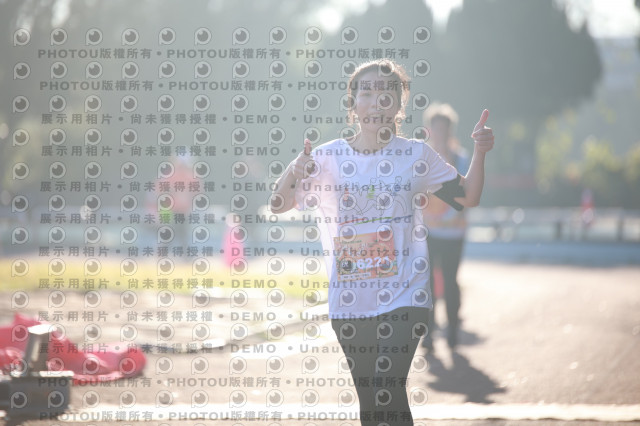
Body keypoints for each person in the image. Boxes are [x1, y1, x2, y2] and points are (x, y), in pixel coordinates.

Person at [270, 59, 494, 426]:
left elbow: (468, 195)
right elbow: (278, 204)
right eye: (367, 93)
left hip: (406, 293)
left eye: (386, 93)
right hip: (350, 299)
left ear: (399, 105)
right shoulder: (328, 157)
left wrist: (481, 152)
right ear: (353, 104)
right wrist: (294, 170)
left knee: (386, 386)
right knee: (371, 403)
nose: (376, 101)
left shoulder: (416, 155)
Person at [420, 103, 470, 353]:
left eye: (444, 128)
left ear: (450, 130)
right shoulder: (422, 158)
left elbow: (467, 192)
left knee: (450, 281)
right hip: (428, 231)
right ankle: (429, 332)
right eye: (436, 128)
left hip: (454, 232)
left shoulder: (461, 158)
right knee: (426, 282)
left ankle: (452, 329)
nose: (440, 133)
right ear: (429, 129)